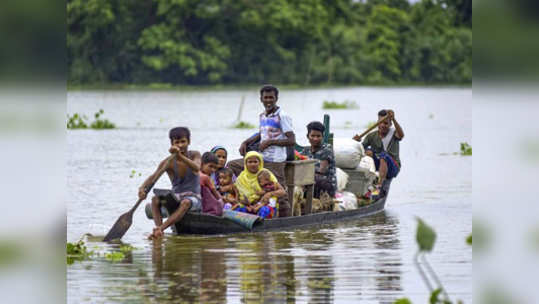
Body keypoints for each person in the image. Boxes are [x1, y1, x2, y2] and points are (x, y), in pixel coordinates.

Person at [228, 85, 296, 217]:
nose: (268, 100)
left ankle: (286, 224)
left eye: (271, 97)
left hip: (275, 160)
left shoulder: (282, 116)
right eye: (266, 98)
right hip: (261, 159)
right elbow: (262, 133)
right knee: (231, 166)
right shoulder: (263, 115)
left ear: (276, 98)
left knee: (281, 194)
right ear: (261, 99)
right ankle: (245, 202)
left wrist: (270, 142)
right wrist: (246, 142)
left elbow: (291, 140)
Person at [141, 127, 201, 239]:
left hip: (194, 198)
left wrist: (180, 156)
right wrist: (142, 188)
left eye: (183, 141)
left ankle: (161, 228)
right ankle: (158, 231)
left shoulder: (195, 155)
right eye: (177, 142)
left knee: (186, 202)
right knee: (155, 199)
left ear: (189, 142)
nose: (180, 145)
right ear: (172, 144)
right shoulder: (168, 162)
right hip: (176, 197)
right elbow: (154, 177)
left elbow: (196, 168)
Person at [352, 109, 404, 196]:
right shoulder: (371, 136)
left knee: (383, 155)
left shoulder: (394, 133)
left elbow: (401, 135)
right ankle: (370, 181)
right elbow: (360, 149)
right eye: (381, 122)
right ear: (377, 123)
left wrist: (394, 119)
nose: (383, 125)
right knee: (367, 152)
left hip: (393, 167)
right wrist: (355, 142)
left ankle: (378, 186)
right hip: (378, 166)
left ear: (390, 124)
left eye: (386, 123)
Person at [235, 151, 285, 217]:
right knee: (239, 210)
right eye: (250, 162)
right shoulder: (241, 178)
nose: (253, 164)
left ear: (260, 163)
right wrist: (248, 205)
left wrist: (269, 194)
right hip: (247, 205)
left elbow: (282, 191)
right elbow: (239, 196)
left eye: (255, 162)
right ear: (245, 164)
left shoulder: (266, 173)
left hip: (266, 204)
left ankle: (262, 226)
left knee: (264, 210)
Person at [300, 121, 337, 198]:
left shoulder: (327, 149)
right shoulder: (305, 151)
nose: (315, 139)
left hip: (326, 184)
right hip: (309, 181)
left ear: (322, 136)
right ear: (307, 136)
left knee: (313, 178)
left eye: (318, 136)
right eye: (312, 136)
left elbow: (322, 170)